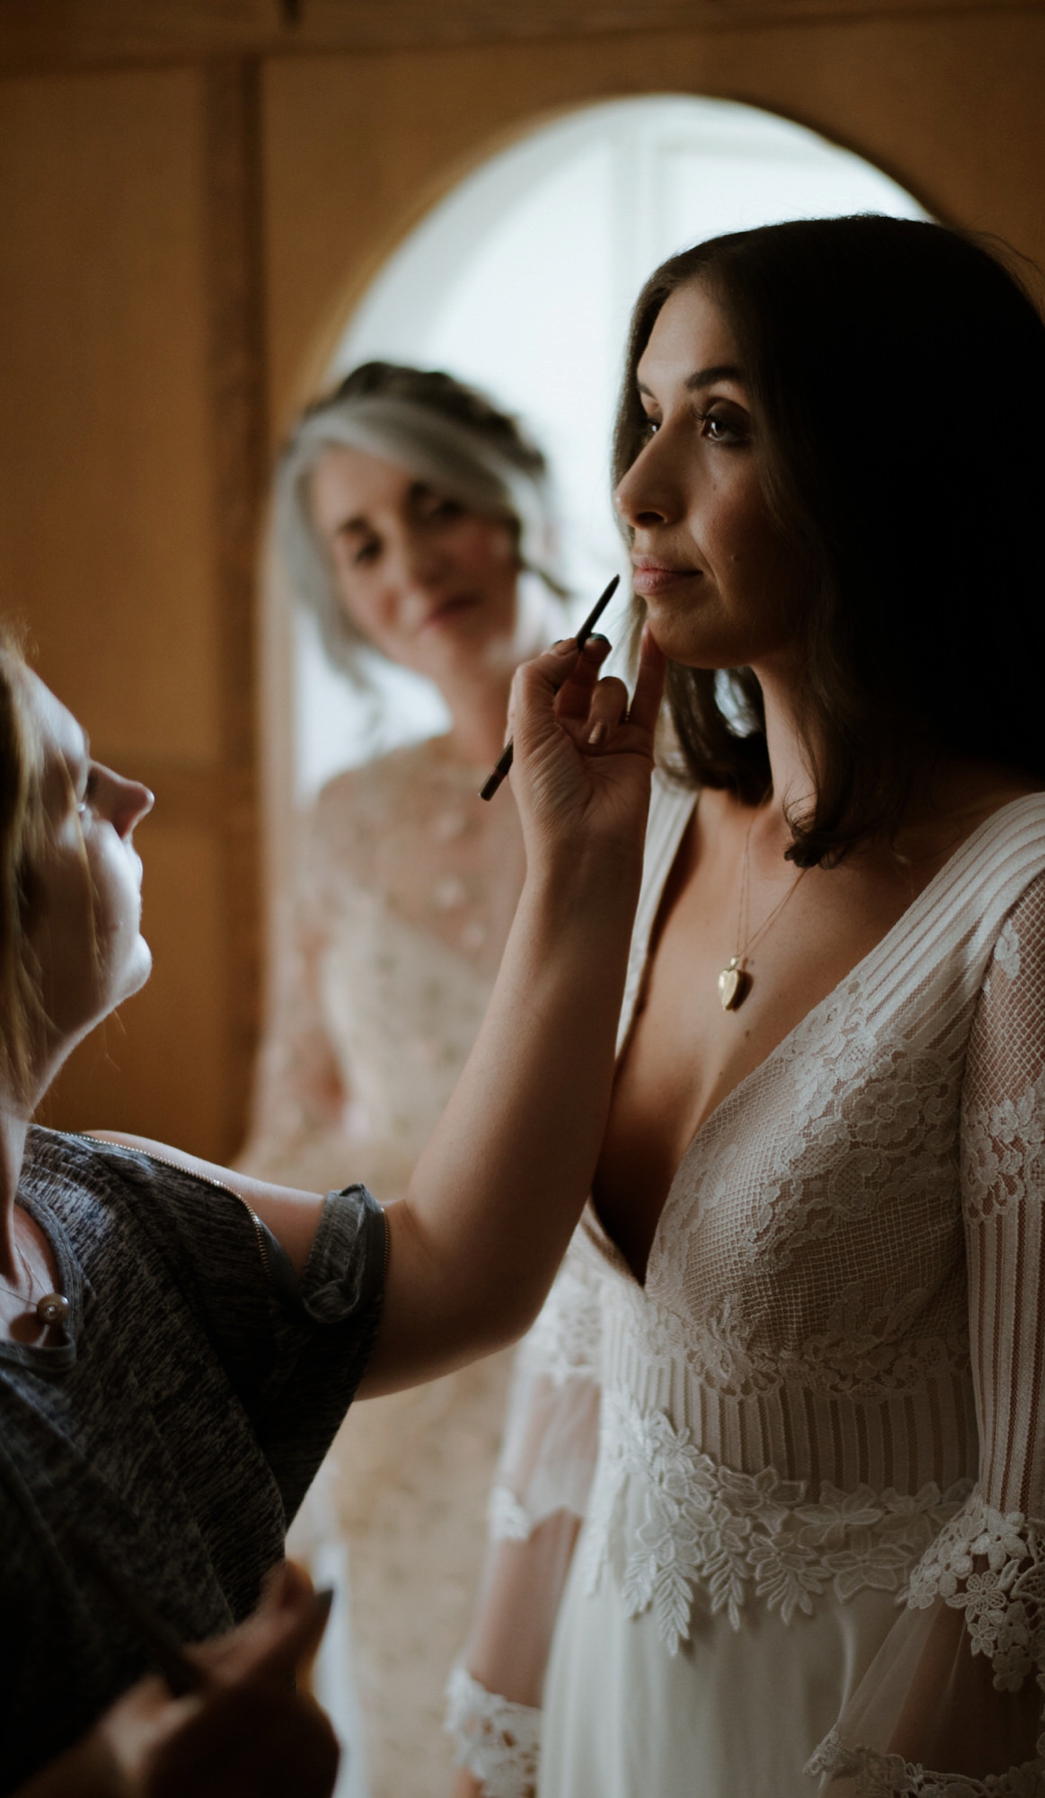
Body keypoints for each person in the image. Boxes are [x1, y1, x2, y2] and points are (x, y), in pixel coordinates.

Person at [446, 217, 1045, 1798]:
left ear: (894, 469)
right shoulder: (653, 831)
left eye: (720, 423)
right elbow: (580, 1353)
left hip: (885, 1730)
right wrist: (495, 1744)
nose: (638, 489)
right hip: (620, 1688)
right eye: (643, 415)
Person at [0, 617, 665, 1796]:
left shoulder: (108, 1204)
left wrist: (579, 860)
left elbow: (454, 1264)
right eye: (68, 788)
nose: (138, 793)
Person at [239, 362, 569, 1790]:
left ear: (507, 505)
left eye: (436, 508)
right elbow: (298, 1107)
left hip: (592, 1331)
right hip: (402, 1351)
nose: (411, 562)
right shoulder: (346, 817)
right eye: (361, 543)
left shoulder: (667, 766)